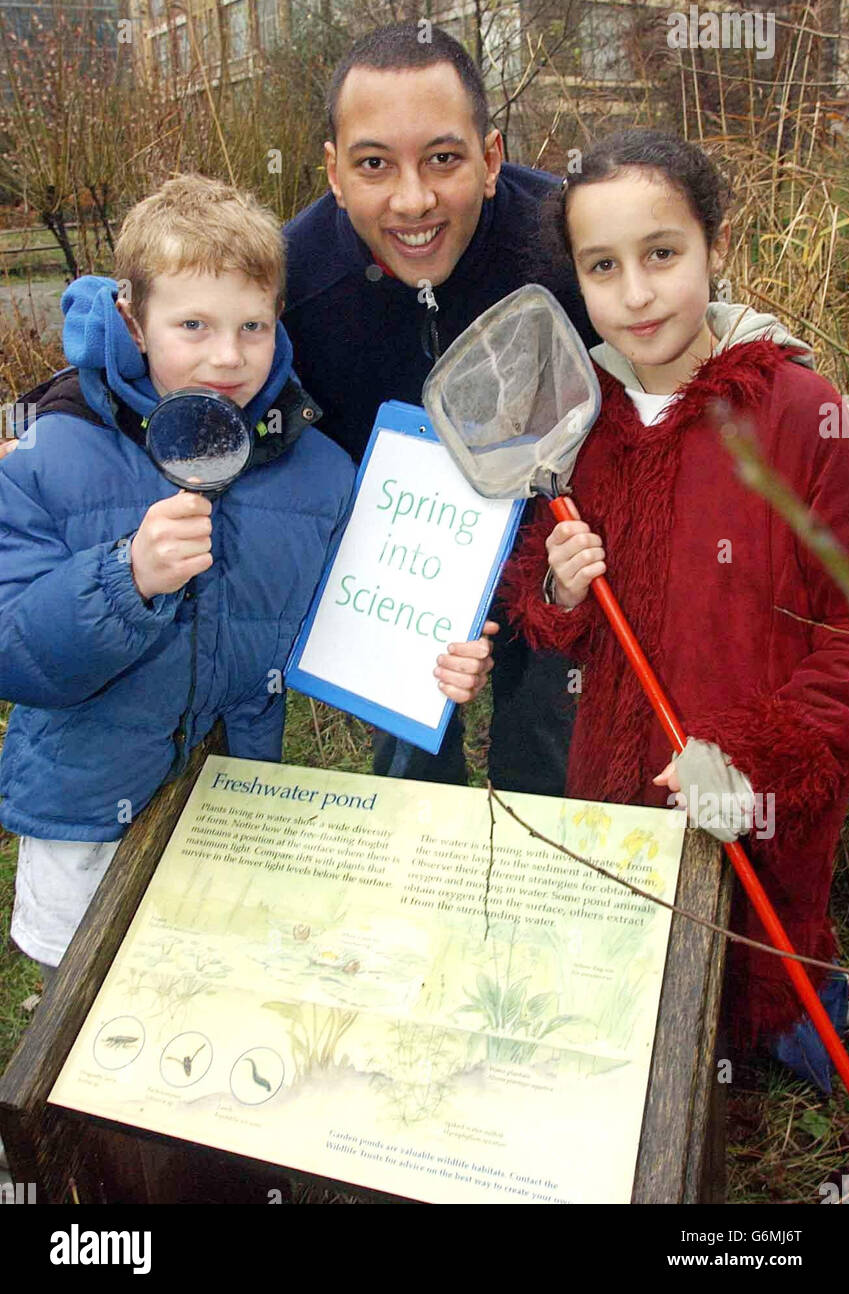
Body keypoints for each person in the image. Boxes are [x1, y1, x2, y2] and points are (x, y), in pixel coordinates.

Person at [0, 173, 492, 984]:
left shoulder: (318, 473)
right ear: (134, 319)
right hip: (85, 818)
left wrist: (430, 660)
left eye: (252, 327)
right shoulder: (52, 454)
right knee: (81, 1025)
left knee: (205, 990)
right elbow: (17, 654)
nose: (227, 356)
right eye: (192, 324)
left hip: (230, 806)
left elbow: (349, 624)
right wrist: (126, 580)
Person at [499, 129, 849, 1062]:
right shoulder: (583, 424)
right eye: (602, 267)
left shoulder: (800, 413)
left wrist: (752, 761)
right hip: (618, 797)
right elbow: (544, 612)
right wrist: (558, 588)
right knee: (638, 1026)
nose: (638, 293)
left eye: (663, 254)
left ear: (716, 246)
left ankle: (795, 1013)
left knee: (766, 1006)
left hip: (755, 806)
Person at [283, 21, 600, 793]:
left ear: (490, 159)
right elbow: (182, 355)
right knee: (408, 767)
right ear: (333, 172)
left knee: (548, 739)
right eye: (373, 165)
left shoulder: (564, 239)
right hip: (400, 563)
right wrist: (61, 413)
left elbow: (671, 324)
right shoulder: (292, 277)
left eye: (444, 159)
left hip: (547, 539)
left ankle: (541, 864)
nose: (413, 200)